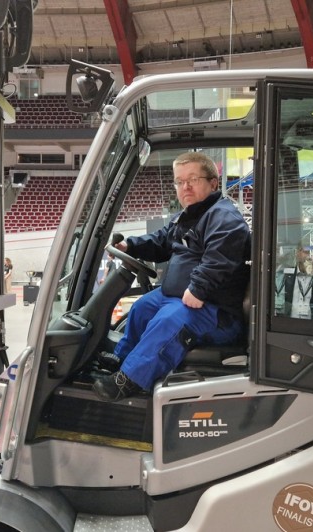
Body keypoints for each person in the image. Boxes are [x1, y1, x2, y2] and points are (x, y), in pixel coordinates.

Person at [92, 152, 251, 401]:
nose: (185, 187)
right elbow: (160, 242)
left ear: (213, 183)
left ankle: (129, 380)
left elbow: (220, 258)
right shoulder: (186, 217)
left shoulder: (224, 217)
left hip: (214, 308)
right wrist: (130, 246)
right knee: (142, 307)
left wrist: (198, 288)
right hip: (180, 296)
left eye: (193, 179)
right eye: (179, 181)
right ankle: (122, 359)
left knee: (170, 319)